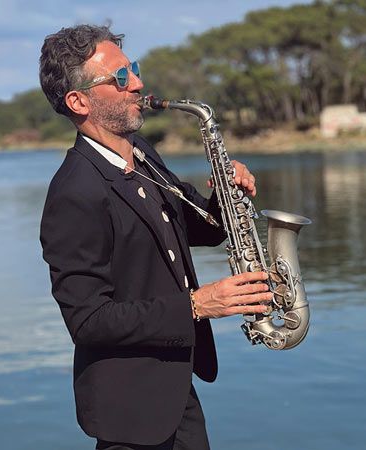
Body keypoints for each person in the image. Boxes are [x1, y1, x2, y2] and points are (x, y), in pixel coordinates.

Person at [39, 24, 272, 450]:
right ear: (79, 101)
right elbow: (88, 322)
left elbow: (202, 227)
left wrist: (225, 196)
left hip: (175, 394)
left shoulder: (142, 155)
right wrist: (198, 305)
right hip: (129, 414)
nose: (139, 84)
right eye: (121, 78)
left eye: (135, 70)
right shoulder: (74, 193)